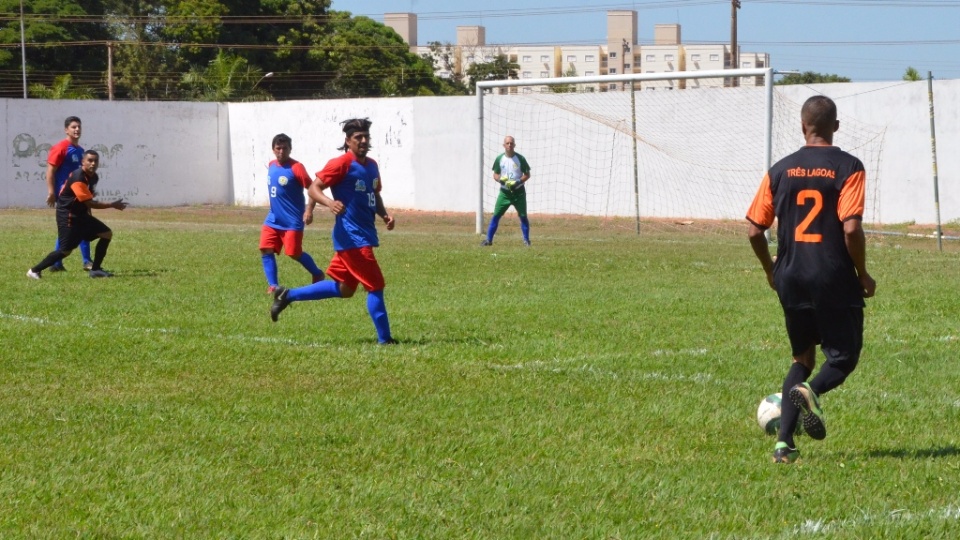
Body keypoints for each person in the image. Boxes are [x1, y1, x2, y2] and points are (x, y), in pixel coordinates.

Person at [746, 95, 877, 464]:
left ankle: (784, 445)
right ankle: (811, 391)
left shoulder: (780, 169)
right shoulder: (848, 166)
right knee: (843, 358)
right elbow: (851, 228)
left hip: (790, 276)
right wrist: (862, 274)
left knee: (802, 356)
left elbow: (755, 230)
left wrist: (771, 271)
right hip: (831, 275)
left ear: (803, 127)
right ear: (835, 127)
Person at [269, 118, 398, 345]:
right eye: (358, 137)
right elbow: (313, 188)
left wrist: (384, 214)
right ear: (347, 141)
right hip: (351, 237)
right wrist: (329, 203)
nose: (364, 141)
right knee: (375, 285)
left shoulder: (372, 165)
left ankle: (287, 295)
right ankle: (385, 340)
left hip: (364, 235)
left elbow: (374, 194)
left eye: (366, 136)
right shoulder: (341, 164)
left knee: (346, 289)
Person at [27, 150, 127, 279]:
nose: (93, 163)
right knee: (65, 251)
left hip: (81, 214)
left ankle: (95, 270)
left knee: (106, 234)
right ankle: (34, 270)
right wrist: (112, 204)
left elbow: (88, 198)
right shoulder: (78, 177)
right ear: (83, 162)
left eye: (96, 161)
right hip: (68, 215)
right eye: (90, 160)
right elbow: (89, 202)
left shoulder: (93, 177)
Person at [259, 133, 325, 293]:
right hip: (273, 218)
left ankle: (317, 274)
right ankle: (273, 285)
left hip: (292, 220)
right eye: (278, 148)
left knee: (293, 253)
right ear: (273, 149)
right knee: (265, 248)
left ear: (290, 149)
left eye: (285, 148)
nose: (281, 151)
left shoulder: (297, 168)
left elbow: (313, 189)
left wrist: (309, 210)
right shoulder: (272, 165)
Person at [46, 116, 93, 271]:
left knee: (73, 227)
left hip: (79, 194)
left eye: (79, 126)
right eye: (73, 127)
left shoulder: (80, 151)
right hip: (66, 196)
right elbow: (50, 171)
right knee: (79, 225)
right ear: (66, 129)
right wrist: (52, 191)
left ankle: (57, 263)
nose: (77, 129)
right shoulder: (60, 148)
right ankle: (86, 262)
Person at [481, 135, 531, 246]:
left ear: (514, 145)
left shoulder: (520, 159)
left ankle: (526, 240)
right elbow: (495, 174)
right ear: (504, 145)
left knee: (523, 216)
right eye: (507, 143)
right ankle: (489, 240)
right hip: (504, 193)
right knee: (496, 215)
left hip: (519, 193)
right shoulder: (500, 159)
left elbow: (527, 174)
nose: (509, 145)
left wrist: (518, 182)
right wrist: (500, 180)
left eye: (511, 143)